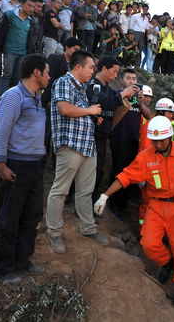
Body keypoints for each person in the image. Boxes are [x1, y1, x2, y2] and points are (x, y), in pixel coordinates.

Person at [94, 116, 174, 309]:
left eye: (162, 140)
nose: (158, 144)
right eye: (155, 141)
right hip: (157, 205)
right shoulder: (146, 157)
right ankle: (167, 262)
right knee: (149, 243)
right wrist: (105, 195)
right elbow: (126, 176)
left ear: (170, 137)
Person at [0, 54, 49, 284]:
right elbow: (1, 130)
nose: (48, 76)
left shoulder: (36, 97)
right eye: (46, 72)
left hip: (36, 166)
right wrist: (1, 164)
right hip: (17, 166)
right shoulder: (13, 97)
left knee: (32, 215)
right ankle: (3, 267)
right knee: (9, 217)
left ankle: (22, 260)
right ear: (36, 72)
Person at [46, 50, 108, 254]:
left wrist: (90, 117)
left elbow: (77, 111)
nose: (93, 71)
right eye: (91, 67)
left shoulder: (82, 88)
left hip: (87, 146)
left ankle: (88, 229)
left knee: (85, 190)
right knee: (60, 190)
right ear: (78, 67)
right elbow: (64, 109)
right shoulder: (64, 82)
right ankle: (54, 233)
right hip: (70, 145)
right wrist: (90, 111)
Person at [86, 56, 142, 203]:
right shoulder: (92, 85)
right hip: (90, 136)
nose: (116, 75)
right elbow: (105, 104)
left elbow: (115, 109)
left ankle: (91, 202)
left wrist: (133, 100)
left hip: (103, 137)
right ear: (104, 68)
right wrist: (123, 94)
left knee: (98, 172)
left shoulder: (109, 90)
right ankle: (80, 203)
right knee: (90, 173)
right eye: (115, 71)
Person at [108, 68, 151, 217]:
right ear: (122, 80)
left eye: (134, 79)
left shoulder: (139, 98)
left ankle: (123, 205)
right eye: (128, 78)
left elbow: (148, 115)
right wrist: (126, 96)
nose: (132, 81)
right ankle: (112, 203)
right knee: (119, 170)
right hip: (119, 137)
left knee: (130, 172)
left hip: (134, 139)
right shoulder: (117, 94)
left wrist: (140, 103)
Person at [0, 0, 35, 96]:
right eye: (29, 5)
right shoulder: (9, 15)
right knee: (6, 75)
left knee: (17, 77)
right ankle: (2, 100)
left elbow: (30, 39)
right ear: (22, 4)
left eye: (33, 7)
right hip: (9, 51)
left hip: (23, 53)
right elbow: (1, 32)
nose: (31, 9)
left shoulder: (31, 21)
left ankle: (13, 100)